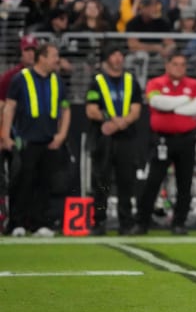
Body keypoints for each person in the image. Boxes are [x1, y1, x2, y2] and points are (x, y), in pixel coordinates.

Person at [133, 52, 196, 236]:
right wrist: (183, 101)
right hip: (162, 140)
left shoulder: (194, 85)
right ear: (167, 65)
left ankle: (179, 223)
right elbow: (157, 102)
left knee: (185, 182)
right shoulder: (156, 83)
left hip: (186, 139)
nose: (179, 68)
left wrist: (170, 107)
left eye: (183, 64)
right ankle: (142, 223)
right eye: (175, 64)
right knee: (153, 181)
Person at [0, 43, 71, 237]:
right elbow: (9, 107)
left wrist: (62, 134)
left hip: (49, 140)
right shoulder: (20, 79)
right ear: (42, 58)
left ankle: (40, 223)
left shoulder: (57, 81)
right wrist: (5, 135)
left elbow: (65, 109)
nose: (57, 60)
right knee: (22, 182)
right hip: (26, 140)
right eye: (54, 56)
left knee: (46, 183)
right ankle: (16, 223)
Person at [85, 46, 143, 236]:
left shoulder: (130, 81)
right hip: (103, 138)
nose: (118, 59)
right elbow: (91, 109)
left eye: (120, 55)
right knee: (101, 182)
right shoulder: (97, 81)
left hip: (126, 137)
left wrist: (119, 122)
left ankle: (126, 223)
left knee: (126, 181)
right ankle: (99, 222)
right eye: (114, 54)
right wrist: (110, 118)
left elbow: (136, 110)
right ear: (107, 59)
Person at [0, 35, 38, 232]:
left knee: (31, 178)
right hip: (13, 134)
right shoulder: (10, 77)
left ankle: (29, 219)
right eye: (27, 50)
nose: (30, 54)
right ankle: (10, 218)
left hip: (33, 135)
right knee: (13, 177)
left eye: (33, 50)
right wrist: (4, 135)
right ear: (21, 53)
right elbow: (3, 107)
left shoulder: (44, 76)